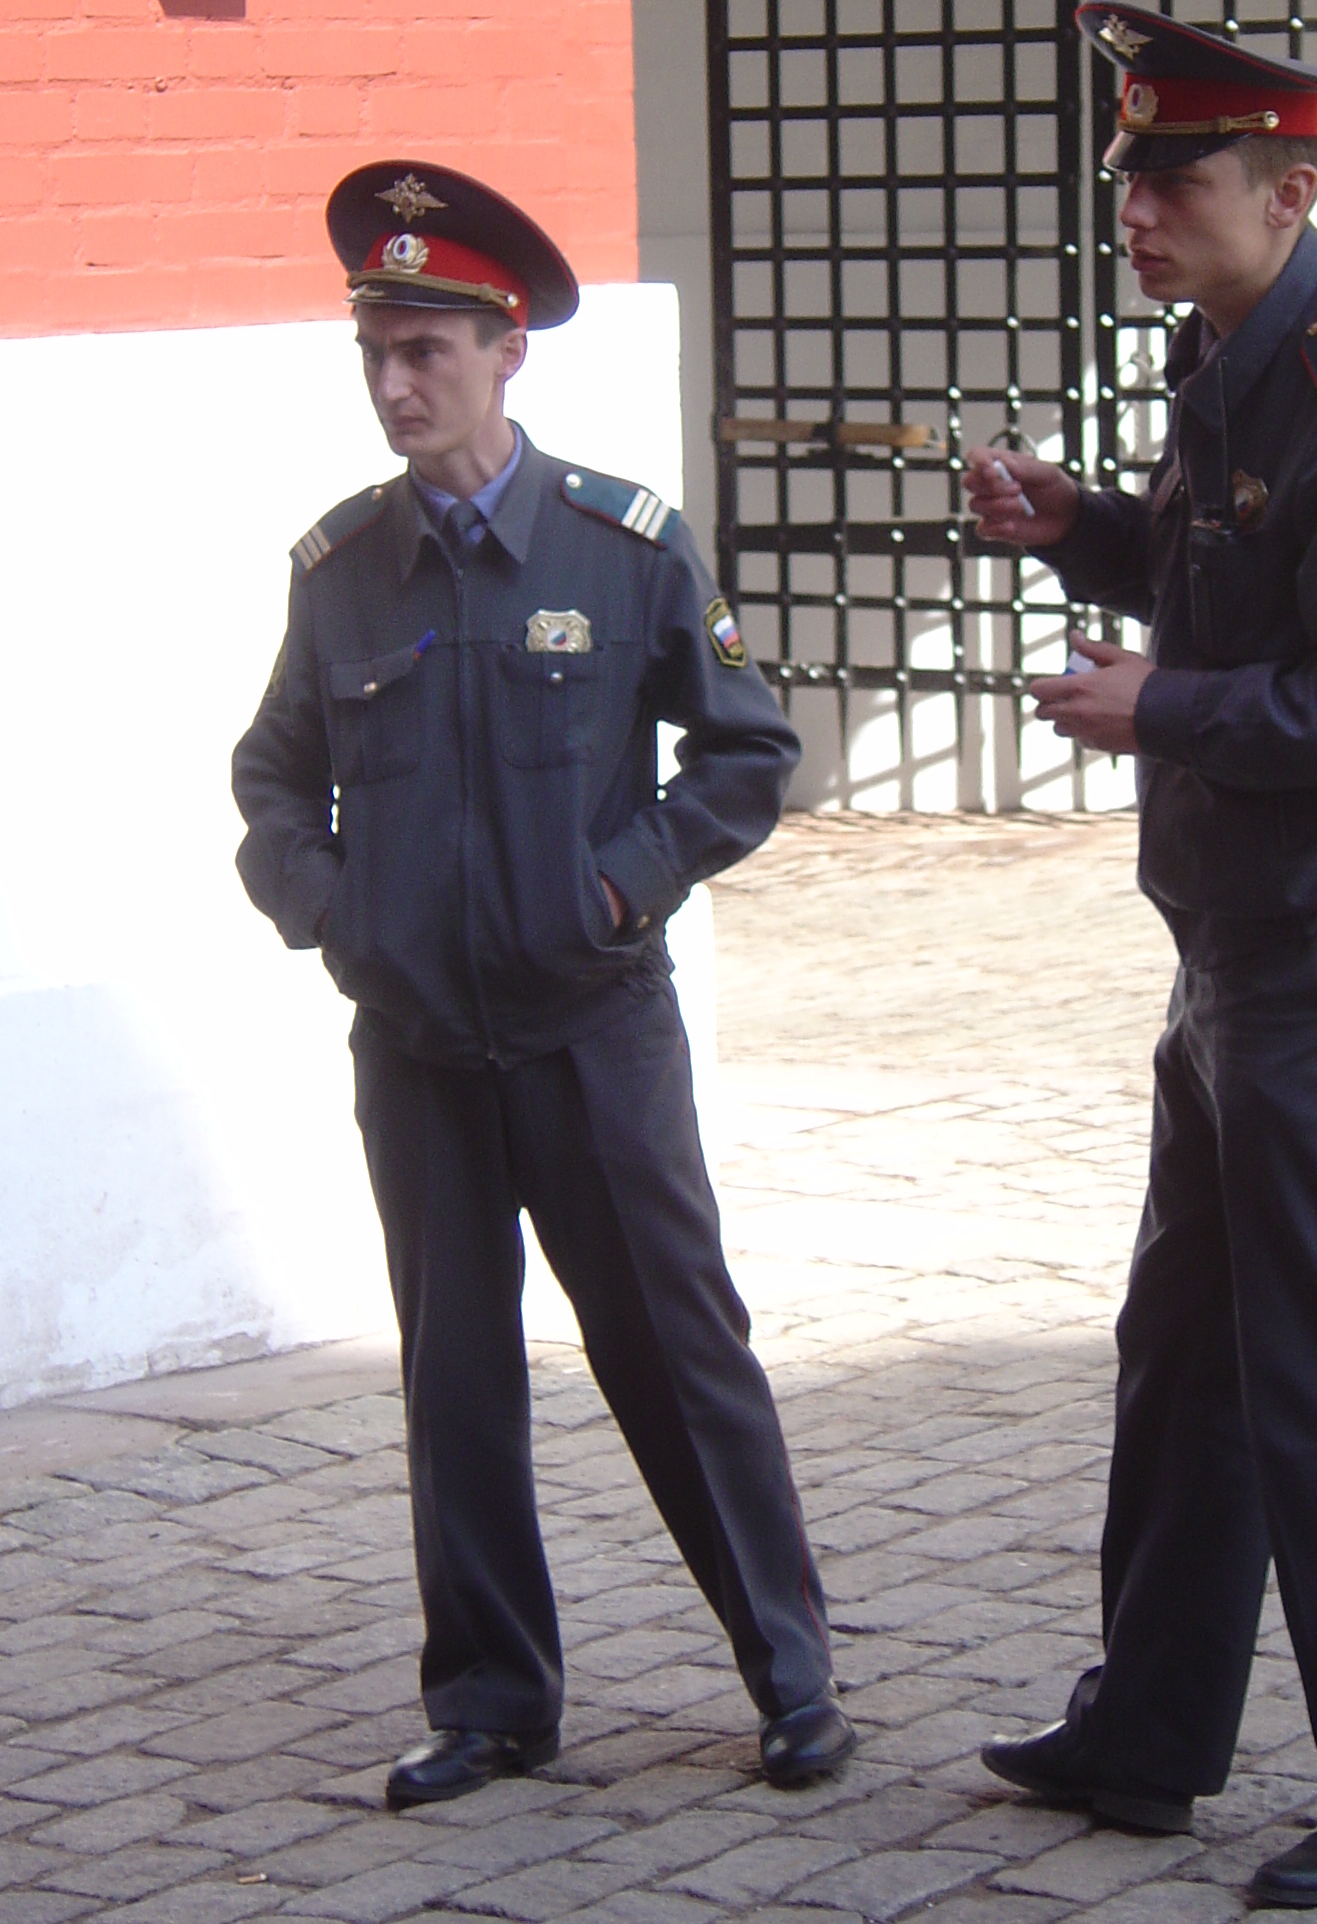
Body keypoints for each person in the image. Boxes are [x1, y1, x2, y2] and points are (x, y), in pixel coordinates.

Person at [964, 5, 1317, 1911]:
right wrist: (1089, 533)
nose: (1136, 206)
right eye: (1128, 175)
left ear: (1291, 189)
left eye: (1175, 177)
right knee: (1184, 1353)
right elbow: (1239, 576)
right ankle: (1152, 1733)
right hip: (1232, 937)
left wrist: (1156, 707)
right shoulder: (1235, 355)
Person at [231, 161, 855, 1809]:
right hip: (422, 1047)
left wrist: (617, 884)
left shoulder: (623, 545)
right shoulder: (341, 571)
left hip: (591, 1034)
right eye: (374, 349)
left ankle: (792, 1677)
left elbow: (746, 755)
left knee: (675, 1347)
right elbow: (273, 781)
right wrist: (334, 909)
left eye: (427, 347)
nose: (393, 382)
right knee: (453, 1375)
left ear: (507, 351)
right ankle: (494, 1698)